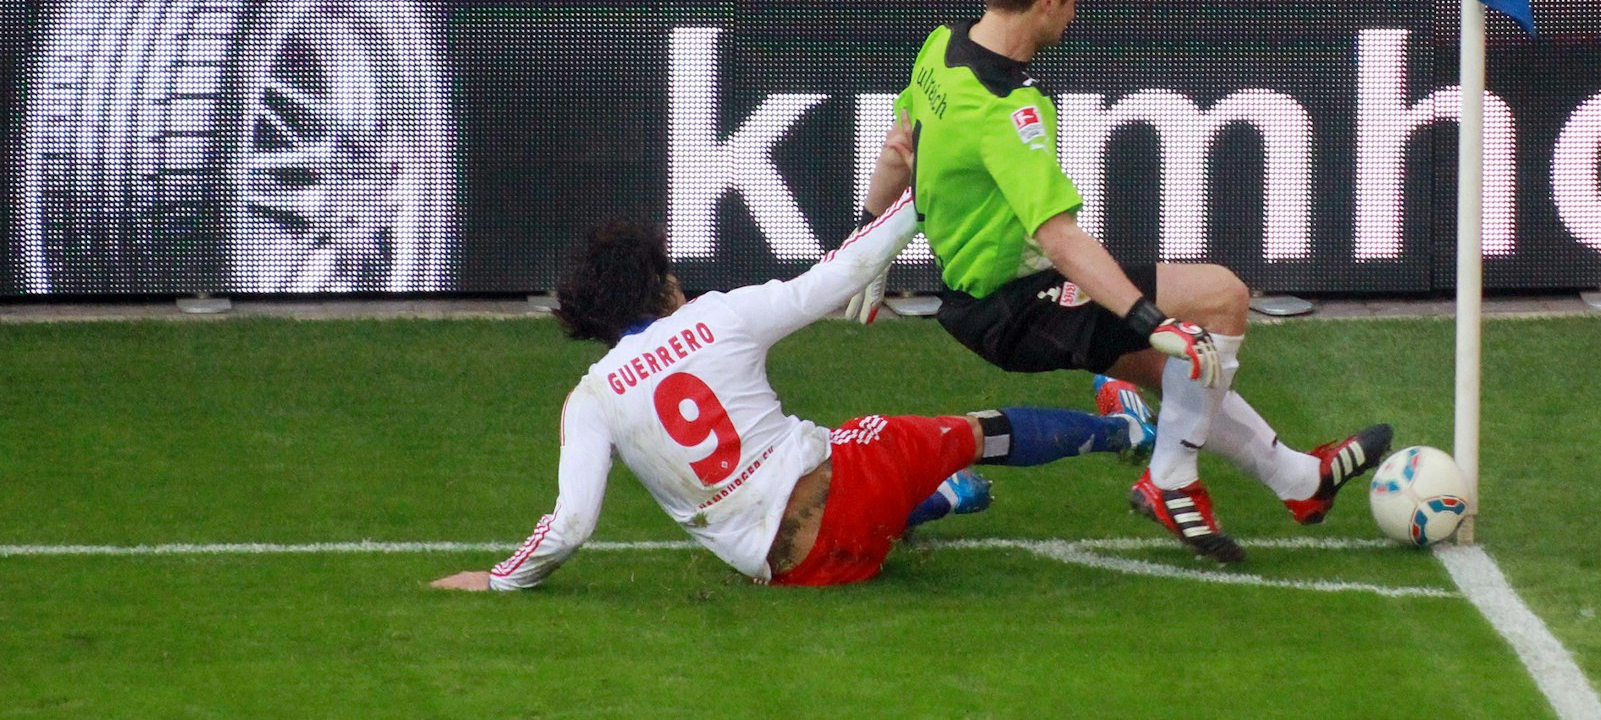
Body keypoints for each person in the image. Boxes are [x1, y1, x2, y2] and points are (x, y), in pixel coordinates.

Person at [431, 122, 1150, 592]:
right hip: (851, 497)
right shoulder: (718, 316)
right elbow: (837, 275)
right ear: (660, 283)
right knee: (969, 432)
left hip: (800, 574)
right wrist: (920, 199)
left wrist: (497, 578)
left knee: (844, 456)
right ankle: (1124, 428)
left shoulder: (589, 399)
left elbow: (571, 524)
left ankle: (939, 500)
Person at [868, 0, 1392, 564]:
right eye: (1076, 2)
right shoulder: (1007, 109)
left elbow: (898, 147)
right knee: (1223, 298)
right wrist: (1151, 318)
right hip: (1019, 303)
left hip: (978, 299)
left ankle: (1301, 482)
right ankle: (1170, 480)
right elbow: (1060, 238)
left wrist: (864, 240)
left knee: (1176, 374)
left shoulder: (941, 48)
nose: (1074, 16)